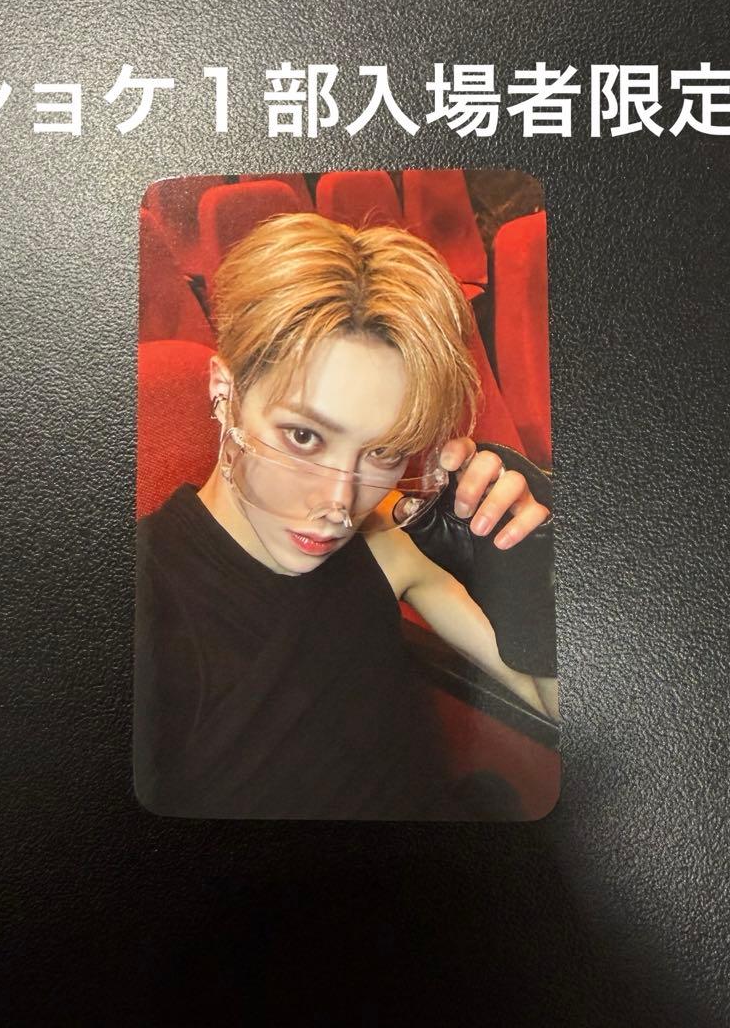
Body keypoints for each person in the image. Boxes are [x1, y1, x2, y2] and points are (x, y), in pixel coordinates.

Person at [135, 212, 556, 820]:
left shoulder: (389, 540)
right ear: (225, 394)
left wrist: (530, 587)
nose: (338, 504)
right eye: (304, 436)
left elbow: (561, 707)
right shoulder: (141, 599)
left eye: (383, 452)